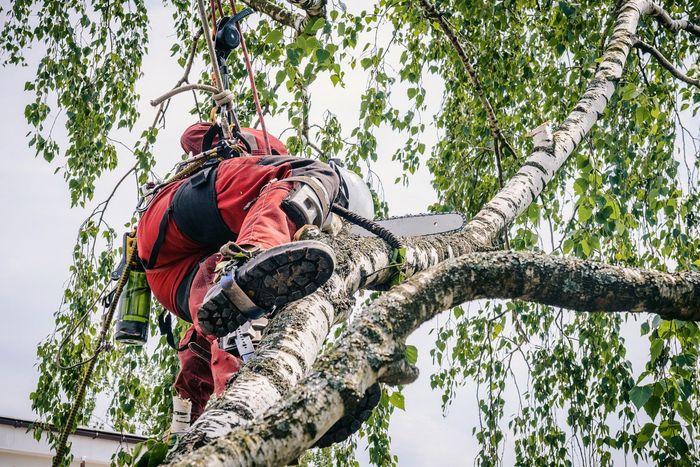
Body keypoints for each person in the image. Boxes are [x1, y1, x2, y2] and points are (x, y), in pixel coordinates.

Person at [136, 121, 345, 421]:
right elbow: (190, 135)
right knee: (314, 174)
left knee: (232, 313)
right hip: (183, 210)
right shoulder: (275, 150)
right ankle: (248, 259)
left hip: (176, 277)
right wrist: (225, 136)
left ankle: (204, 418)